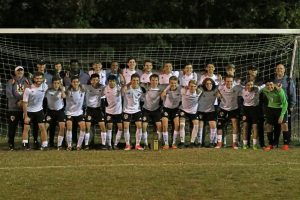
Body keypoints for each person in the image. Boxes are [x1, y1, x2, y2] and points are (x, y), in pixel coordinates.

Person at [22, 72, 48, 150]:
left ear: (43, 79)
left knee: (42, 127)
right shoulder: (28, 89)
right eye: (37, 78)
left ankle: (44, 144)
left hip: (39, 111)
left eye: (40, 78)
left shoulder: (45, 86)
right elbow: (25, 103)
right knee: (26, 127)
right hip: (29, 111)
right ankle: (24, 144)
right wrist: (26, 115)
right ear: (34, 79)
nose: (39, 80)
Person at [6, 66, 30, 150]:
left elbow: (31, 92)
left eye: (21, 70)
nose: (20, 72)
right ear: (15, 72)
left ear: (23, 72)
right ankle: (11, 144)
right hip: (13, 109)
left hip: (24, 109)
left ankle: (25, 144)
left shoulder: (27, 81)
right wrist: (17, 101)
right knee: (12, 127)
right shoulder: (10, 81)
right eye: (18, 71)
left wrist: (23, 102)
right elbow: (9, 94)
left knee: (25, 127)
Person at [215, 75, 242, 149]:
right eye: (227, 81)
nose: (229, 83)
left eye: (230, 81)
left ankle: (234, 143)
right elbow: (215, 92)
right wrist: (217, 95)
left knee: (235, 125)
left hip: (234, 109)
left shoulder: (237, 87)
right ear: (224, 81)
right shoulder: (220, 87)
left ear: (233, 81)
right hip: (223, 108)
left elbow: (246, 89)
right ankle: (219, 143)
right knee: (220, 125)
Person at [273, 64, 296, 147]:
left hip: (285, 106)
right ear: (275, 70)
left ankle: (286, 142)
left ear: (284, 70)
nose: (279, 70)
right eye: (278, 68)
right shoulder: (273, 80)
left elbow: (292, 93)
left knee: (286, 124)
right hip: (275, 106)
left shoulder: (288, 80)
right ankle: (275, 142)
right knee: (276, 124)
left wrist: (291, 105)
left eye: (281, 68)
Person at [262, 79, 289, 151]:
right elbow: (259, 87)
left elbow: (285, 104)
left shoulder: (280, 91)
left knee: (284, 124)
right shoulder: (264, 90)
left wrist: (282, 115)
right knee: (268, 125)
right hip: (270, 109)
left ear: (274, 84)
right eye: (267, 85)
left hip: (281, 109)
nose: (269, 86)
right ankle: (270, 144)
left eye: (271, 84)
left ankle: (286, 144)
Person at [243, 66, 265, 148]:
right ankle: (247, 143)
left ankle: (261, 143)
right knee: (247, 125)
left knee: (259, 125)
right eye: (251, 70)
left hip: (258, 106)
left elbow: (263, 89)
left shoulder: (261, 80)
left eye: (255, 70)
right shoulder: (244, 80)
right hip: (247, 107)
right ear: (249, 71)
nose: (253, 72)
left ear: (257, 71)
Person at [84, 73, 106, 150]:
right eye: (93, 80)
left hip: (98, 109)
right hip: (89, 109)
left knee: (103, 126)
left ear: (99, 80)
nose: (95, 81)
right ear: (90, 81)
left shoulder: (102, 87)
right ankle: (86, 144)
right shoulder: (86, 87)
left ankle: (103, 144)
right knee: (87, 127)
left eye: (97, 80)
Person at [122, 73, 143, 150]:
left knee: (139, 126)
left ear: (139, 81)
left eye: (137, 80)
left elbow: (142, 99)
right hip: (127, 110)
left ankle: (137, 144)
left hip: (137, 110)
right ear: (131, 81)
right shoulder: (126, 88)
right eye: (133, 80)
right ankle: (127, 144)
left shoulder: (141, 90)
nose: (135, 82)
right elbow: (121, 91)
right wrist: (125, 85)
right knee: (126, 127)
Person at [141, 74, 162, 150]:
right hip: (146, 110)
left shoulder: (160, 90)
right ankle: (145, 144)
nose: (154, 82)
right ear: (150, 81)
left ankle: (159, 143)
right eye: (152, 80)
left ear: (158, 81)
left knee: (159, 126)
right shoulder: (146, 89)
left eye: (156, 80)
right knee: (144, 126)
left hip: (156, 110)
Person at [65, 76, 86, 150]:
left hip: (79, 113)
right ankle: (69, 146)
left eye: (77, 82)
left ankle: (78, 146)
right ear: (71, 83)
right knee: (69, 127)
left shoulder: (83, 90)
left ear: (79, 82)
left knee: (83, 128)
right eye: (74, 82)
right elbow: (62, 92)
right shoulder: (67, 91)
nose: (75, 83)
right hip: (69, 113)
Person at [45, 76, 66, 150]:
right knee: (46, 126)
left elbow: (64, 96)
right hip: (50, 112)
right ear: (52, 84)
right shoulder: (48, 90)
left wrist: (62, 89)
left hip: (60, 111)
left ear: (60, 83)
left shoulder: (62, 90)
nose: (56, 85)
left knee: (62, 126)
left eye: (58, 83)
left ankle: (59, 144)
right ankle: (46, 143)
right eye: (54, 83)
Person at [241, 80, 264, 150]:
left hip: (255, 109)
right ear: (245, 86)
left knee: (255, 126)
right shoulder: (242, 90)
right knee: (245, 126)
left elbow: (265, 85)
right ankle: (245, 144)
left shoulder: (257, 89)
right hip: (246, 110)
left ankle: (254, 144)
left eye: (251, 85)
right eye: (248, 85)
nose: (250, 86)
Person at [161, 76, 181, 149]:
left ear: (177, 83)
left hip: (175, 109)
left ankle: (173, 143)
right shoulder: (166, 90)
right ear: (169, 83)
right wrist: (164, 93)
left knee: (177, 125)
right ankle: (166, 144)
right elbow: (162, 97)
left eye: (175, 83)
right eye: (172, 83)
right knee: (165, 125)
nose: (173, 84)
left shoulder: (180, 90)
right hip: (166, 109)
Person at [178, 80, 200, 148]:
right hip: (183, 110)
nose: (192, 88)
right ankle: (182, 142)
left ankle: (192, 142)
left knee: (196, 126)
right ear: (188, 86)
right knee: (182, 125)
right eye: (191, 86)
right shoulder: (183, 91)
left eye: (194, 86)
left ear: (196, 87)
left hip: (193, 112)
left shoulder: (199, 92)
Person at [103, 75, 123, 150]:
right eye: (110, 81)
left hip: (118, 111)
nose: (112, 83)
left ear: (116, 82)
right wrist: (103, 102)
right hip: (109, 111)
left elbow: (124, 87)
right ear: (108, 82)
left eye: (113, 81)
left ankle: (115, 144)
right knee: (109, 127)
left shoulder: (119, 88)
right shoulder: (105, 88)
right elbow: (102, 96)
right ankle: (109, 144)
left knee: (120, 128)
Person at [197, 78, 218, 148]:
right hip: (201, 111)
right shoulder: (201, 90)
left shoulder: (215, 91)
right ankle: (200, 142)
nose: (209, 85)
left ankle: (212, 142)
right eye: (207, 84)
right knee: (200, 125)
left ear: (212, 84)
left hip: (211, 111)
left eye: (210, 84)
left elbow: (222, 86)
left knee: (213, 125)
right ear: (204, 85)